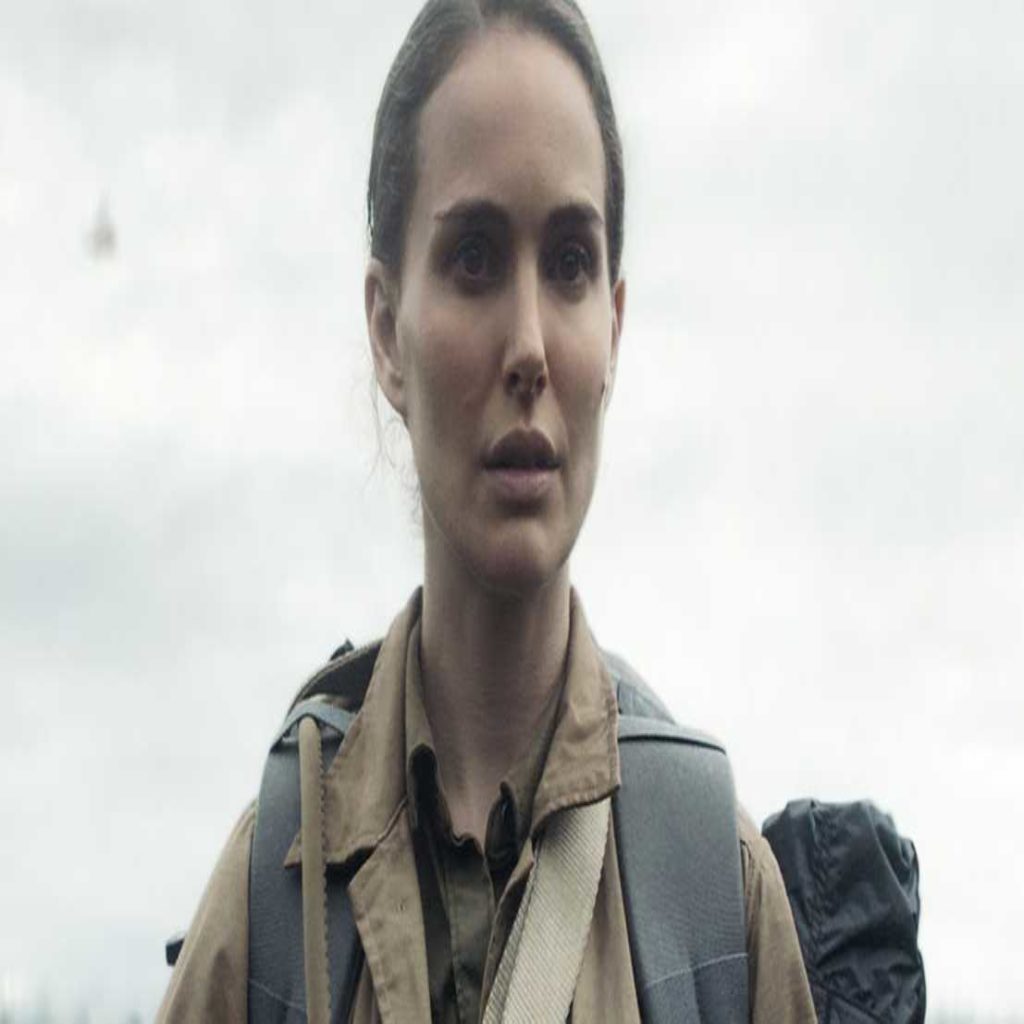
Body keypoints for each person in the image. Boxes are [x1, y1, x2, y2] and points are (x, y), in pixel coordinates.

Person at [158, 1, 817, 1020]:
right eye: (473, 257)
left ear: (614, 324)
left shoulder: (710, 897)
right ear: (388, 331)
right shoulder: (274, 904)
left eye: (569, 263)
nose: (529, 347)